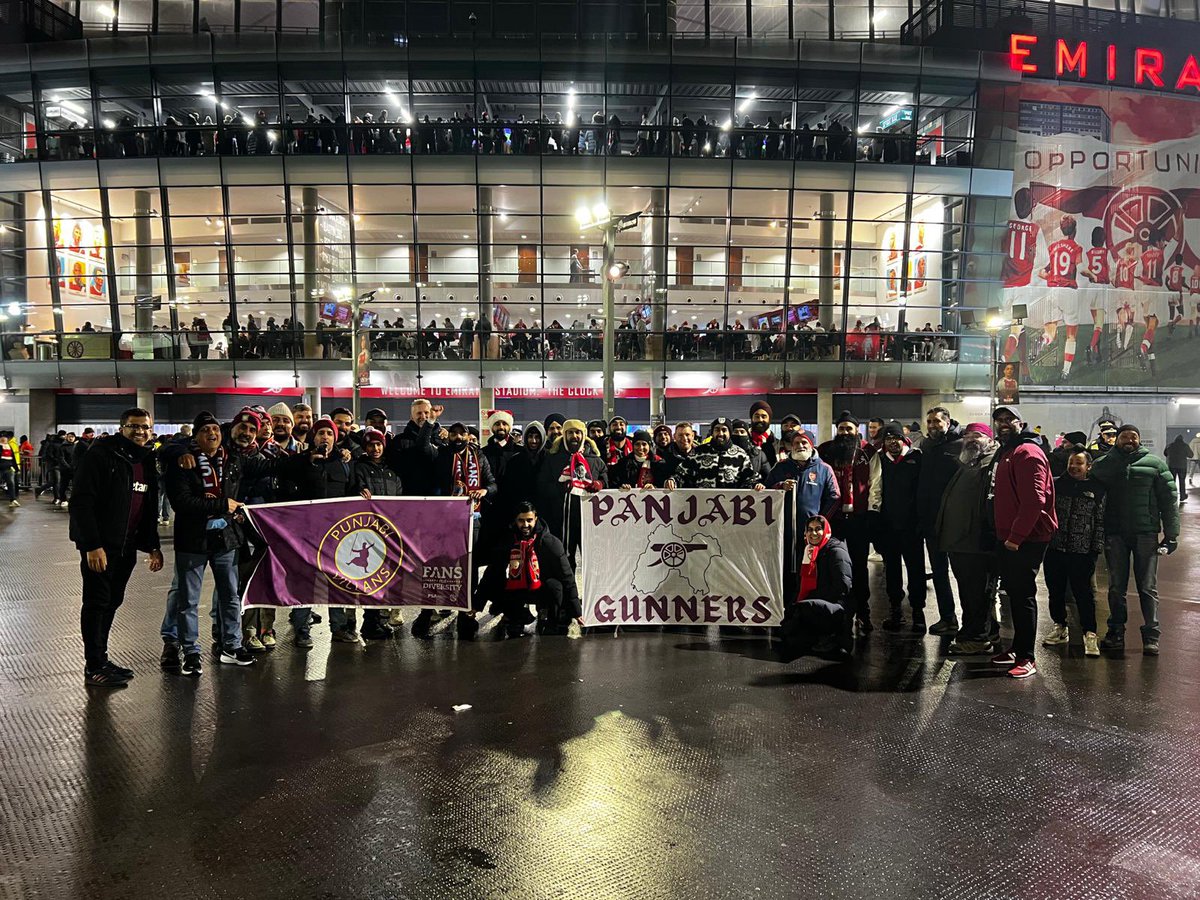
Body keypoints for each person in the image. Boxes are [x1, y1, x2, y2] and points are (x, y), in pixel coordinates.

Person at [164, 411, 265, 675]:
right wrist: (222, 504)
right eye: (206, 431)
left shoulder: (232, 460)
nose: (212, 434)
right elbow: (182, 503)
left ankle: (231, 646)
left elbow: (270, 466)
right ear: (195, 436)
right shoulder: (183, 461)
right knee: (188, 600)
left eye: (216, 431)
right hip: (193, 541)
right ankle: (191, 652)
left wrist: (310, 458)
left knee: (230, 597)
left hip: (226, 540)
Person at [68, 409, 164, 685]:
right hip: (101, 547)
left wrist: (152, 546)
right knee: (97, 604)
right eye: (134, 426)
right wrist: (91, 545)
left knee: (111, 602)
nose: (140, 432)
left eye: (145, 427)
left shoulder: (145, 460)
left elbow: (147, 508)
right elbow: (82, 502)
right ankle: (94, 666)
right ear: (122, 428)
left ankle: (102, 659)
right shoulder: (101, 455)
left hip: (127, 548)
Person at [1090, 423, 1178, 655]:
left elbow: (1169, 501)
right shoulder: (1105, 464)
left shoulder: (1155, 464)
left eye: (1134, 437)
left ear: (1139, 440)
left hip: (1146, 533)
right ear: (1117, 440)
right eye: (1124, 437)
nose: (1129, 440)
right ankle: (1116, 631)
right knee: (1116, 587)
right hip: (1115, 533)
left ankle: (1151, 635)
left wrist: (1172, 535)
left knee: (1147, 587)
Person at [989, 406, 1057, 679]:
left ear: (1021, 423)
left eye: (1009, 420)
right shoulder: (1008, 451)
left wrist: (1016, 537)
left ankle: (1027, 657)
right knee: (1015, 595)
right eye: (999, 420)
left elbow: (1034, 501)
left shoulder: (1027, 453)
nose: (1003, 424)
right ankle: (1017, 648)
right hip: (1010, 536)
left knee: (1023, 595)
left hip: (1026, 538)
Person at [936, 423, 1002, 656]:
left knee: (978, 593)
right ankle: (986, 630)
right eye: (968, 436)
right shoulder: (969, 461)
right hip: (961, 541)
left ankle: (976, 638)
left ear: (990, 439)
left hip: (978, 542)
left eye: (978, 435)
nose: (971, 440)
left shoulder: (993, 464)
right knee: (970, 590)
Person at [475, 501, 582, 637]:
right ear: (515, 520)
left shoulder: (550, 543)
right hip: (517, 588)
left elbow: (567, 577)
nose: (525, 525)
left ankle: (548, 616)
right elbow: (491, 573)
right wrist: (476, 606)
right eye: (521, 521)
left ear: (535, 519)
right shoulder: (508, 541)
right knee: (496, 584)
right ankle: (516, 615)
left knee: (556, 586)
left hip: (541, 588)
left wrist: (577, 612)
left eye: (529, 520)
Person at [1042, 447, 1106, 658]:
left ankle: (1090, 632)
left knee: (1083, 593)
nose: (1074, 467)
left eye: (1079, 463)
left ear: (1089, 466)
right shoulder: (1057, 484)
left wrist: (1095, 548)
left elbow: (1100, 521)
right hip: (1056, 548)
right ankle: (1060, 626)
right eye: (1071, 463)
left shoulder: (1098, 489)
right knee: (1056, 590)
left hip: (1082, 551)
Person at [818, 411, 874, 634]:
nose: (844, 433)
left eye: (849, 429)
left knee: (860, 567)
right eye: (841, 428)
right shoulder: (825, 451)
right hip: (834, 519)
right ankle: (837, 613)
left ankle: (863, 612)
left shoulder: (868, 452)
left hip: (859, 519)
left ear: (856, 431)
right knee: (835, 567)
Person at [868, 422, 926, 633]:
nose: (893, 442)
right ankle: (895, 611)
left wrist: (921, 520)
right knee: (891, 571)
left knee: (916, 570)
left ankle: (918, 612)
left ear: (904, 439)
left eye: (896, 438)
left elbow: (923, 492)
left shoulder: (916, 458)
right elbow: (875, 490)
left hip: (912, 528)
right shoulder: (880, 459)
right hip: (888, 528)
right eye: (888, 438)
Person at [534, 418, 607, 568]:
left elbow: (605, 478)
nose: (574, 436)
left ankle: (590, 592)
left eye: (578, 433)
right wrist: (559, 488)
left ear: (584, 435)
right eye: (570, 433)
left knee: (591, 559)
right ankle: (567, 590)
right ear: (564, 435)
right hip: (561, 519)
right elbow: (542, 485)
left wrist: (600, 484)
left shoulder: (595, 459)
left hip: (587, 518)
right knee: (564, 560)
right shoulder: (552, 459)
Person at [917, 407, 963, 635]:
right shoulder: (925, 445)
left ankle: (976, 623)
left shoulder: (961, 444)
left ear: (948, 421)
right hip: (931, 521)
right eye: (929, 422)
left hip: (956, 521)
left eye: (936, 421)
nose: (933, 425)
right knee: (939, 571)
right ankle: (948, 618)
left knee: (963, 573)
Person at [779, 515, 853, 657]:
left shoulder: (836, 551)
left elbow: (843, 586)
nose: (813, 533)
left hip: (837, 605)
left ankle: (833, 636)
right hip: (817, 601)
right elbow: (800, 584)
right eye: (810, 530)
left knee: (806, 608)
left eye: (818, 529)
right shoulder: (809, 551)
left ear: (825, 531)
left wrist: (811, 598)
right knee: (787, 632)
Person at [676, 418, 763, 489]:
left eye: (724, 430)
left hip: (730, 506)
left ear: (730, 433)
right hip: (702, 505)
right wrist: (673, 481)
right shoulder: (698, 452)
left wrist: (755, 485)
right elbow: (682, 473)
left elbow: (749, 478)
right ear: (712, 432)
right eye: (717, 430)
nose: (720, 433)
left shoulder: (741, 455)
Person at [481, 410, 520, 485]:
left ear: (509, 427)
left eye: (504, 424)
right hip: (490, 495)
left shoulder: (520, 451)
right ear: (492, 427)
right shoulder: (483, 452)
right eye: (497, 424)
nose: (501, 427)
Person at [748, 400, 780, 466]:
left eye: (764, 416)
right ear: (752, 418)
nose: (760, 420)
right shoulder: (744, 440)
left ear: (769, 419)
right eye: (757, 416)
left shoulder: (777, 444)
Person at [1164, 434, 1192, 503]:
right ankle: (1182, 496)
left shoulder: (1170, 445)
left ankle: (1171, 496)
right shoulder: (1185, 446)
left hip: (1172, 465)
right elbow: (1191, 455)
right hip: (1182, 466)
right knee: (1182, 481)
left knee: (1172, 481)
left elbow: (1165, 453)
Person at [0, 430, 19, 508]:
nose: (4, 439)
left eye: (5, 437)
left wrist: (16, 468)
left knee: (11, 483)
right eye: (2, 437)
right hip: (0, 468)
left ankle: (13, 500)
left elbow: (13, 458)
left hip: (8, 468)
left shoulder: (9, 446)